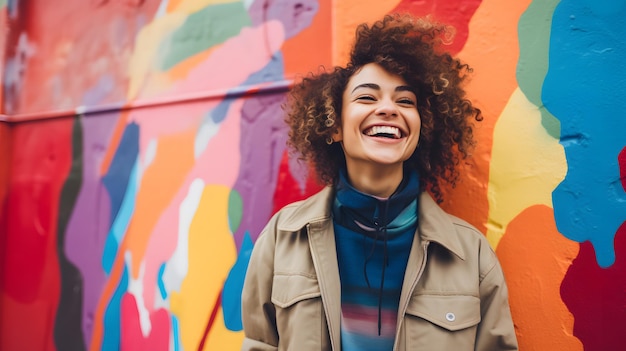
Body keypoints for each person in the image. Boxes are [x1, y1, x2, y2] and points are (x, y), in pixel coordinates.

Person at [241, 13, 518, 351]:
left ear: (422, 128)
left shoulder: (471, 255)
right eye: (367, 98)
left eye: (405, 101)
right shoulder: (281, 238)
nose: (388, 109)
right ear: (333, 126)